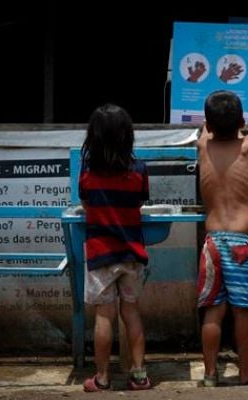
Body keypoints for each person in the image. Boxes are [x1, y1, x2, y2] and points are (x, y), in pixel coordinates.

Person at [79, 104, 152, 391]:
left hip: (100, 255)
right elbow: (139, 202)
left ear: (93, 138)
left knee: (104, 316)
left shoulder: (86, 172)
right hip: (132, 254)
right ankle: (139, 375)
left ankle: (102, 378)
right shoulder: (138, 170)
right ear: (128, 137)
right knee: (131, 313)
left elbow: (86, 204)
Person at [196, 90, 248, 387]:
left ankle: (210, 374)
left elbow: (203, 133)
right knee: (242, 311)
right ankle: (245, 373)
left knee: (213, 311)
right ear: (242, 121)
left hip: (212, 240)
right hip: (242, 241)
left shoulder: (202, 146)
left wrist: (209, 128)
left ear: (208, 126)